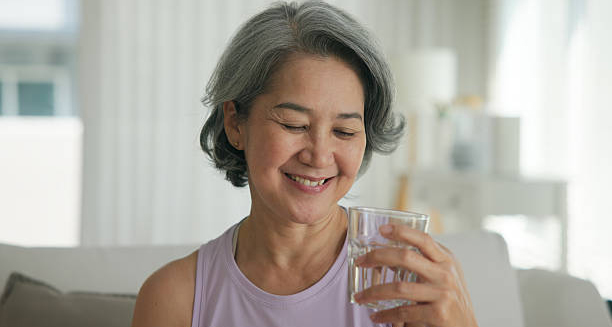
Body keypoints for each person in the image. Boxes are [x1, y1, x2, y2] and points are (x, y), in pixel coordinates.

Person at [131, 1, 478, 327]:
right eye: (293, 125)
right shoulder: (175, 298)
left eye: (344, 131)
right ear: (236, 124)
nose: (320, 155)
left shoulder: (412, 279)